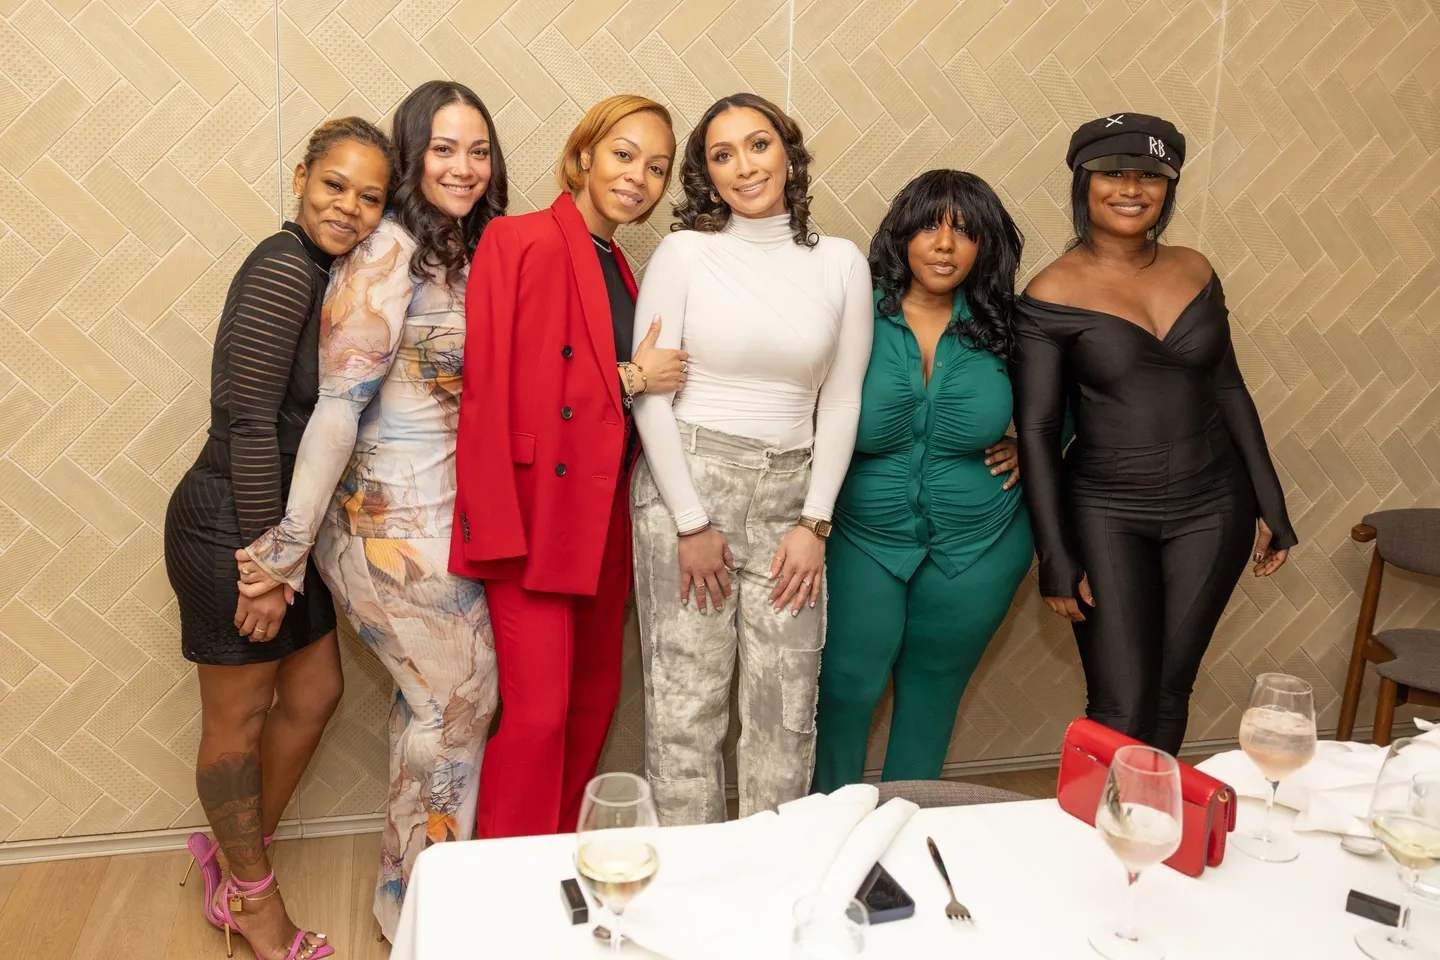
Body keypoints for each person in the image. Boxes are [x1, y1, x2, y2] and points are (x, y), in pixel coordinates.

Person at [235, 80, 506, 940]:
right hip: (383, 524)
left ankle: (404, 901)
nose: (463, 167)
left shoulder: (465, 250)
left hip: (442, 517)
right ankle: (425, 923)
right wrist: (286, 547)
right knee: (458, 707)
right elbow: (337, 407)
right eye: (443, 149)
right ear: (411, 155)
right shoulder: (387, 250)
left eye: (478, 150)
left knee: (429, 709)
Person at [165, 117, 394, 960]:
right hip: (234, 522)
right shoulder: (282, 262)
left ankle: (231, 856)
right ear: (302, 176)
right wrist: (269, 563)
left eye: (370, 196)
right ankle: (253, 906)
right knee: (237, 727)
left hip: (276, 532)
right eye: (335, 184)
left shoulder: (330, 272)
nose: (350, 206)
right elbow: (250, 421)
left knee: (316, 691)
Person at [1010, 113, 1296, 755]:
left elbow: (1228, 388)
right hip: (1107, 511)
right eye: (1114, 174)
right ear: (1084, 183)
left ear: (1168, 188)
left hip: (1215, 506)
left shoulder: (1196, 269)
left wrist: (1270, 502)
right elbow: (1037, 431)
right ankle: (1098, 841)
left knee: (1170, 690)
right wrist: (1054, 553)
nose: (1131, 189)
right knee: (1119, 698)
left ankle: (1152, 833)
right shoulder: (1049, 293)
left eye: (1151, 176)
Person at [630, 92, 874, 826]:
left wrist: (816, 522)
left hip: (791, 501)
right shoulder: (685, 254)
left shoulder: (840, 263)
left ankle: (771, 885)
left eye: (758, 144)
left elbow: (840, 401)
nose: (744, 166)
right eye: (722, 154)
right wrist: (692, 520)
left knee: (786, 708)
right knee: (686, 706)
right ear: (706, 174)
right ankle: (688, 891)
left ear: (788, 154)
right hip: (688, 489)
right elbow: (650, 394)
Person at [450, 95, 685, 839]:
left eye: (656, 167)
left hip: (601, 516)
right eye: (623, 155)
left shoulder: (621, 263)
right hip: (531, 517)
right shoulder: (516, 240)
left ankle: (552, 860)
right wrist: (632, 378)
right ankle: (501, 887)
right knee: (540, 716)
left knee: (591, 704)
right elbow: (498, 389)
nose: (638, 177)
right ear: (584, 155)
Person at [812, 169, 1037, 792]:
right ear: (901, 234)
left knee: (932, 692)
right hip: (860, 534)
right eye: (929, 227)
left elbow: (1072, 402)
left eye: (964, 232)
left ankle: (910, 836)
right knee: (846, 689)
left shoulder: (1010, 327)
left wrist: (1033, 448)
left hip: (982, 544)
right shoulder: (853, 313)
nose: (944, 245)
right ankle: (829, 834)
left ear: (986, 246)